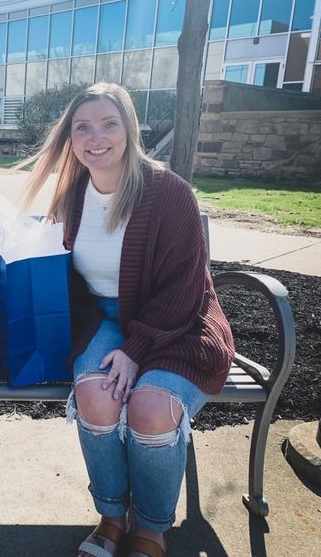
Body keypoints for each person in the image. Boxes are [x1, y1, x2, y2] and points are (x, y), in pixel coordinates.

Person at [22, 83, 234, 557]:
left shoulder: (167, 191)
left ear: (129, 129)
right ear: (71, 138)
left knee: (151, 410)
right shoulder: (71, 195)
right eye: (83, 127)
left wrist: (136, 350)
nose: (96, 137)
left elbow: (185, 288)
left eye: (108, 124)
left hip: (179, 322)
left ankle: (152, 529)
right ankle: (112, 517)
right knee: (97, 398)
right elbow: (64, 277)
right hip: (103, 318)